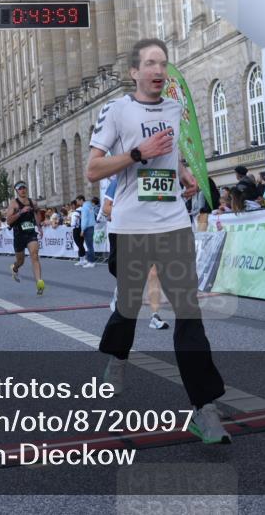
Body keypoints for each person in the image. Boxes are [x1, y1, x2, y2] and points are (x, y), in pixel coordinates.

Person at [87, 38, 229, 444]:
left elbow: (171, 156)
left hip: (171, 224)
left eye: (163, 64)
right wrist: (136, 154)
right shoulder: (115, 111)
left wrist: (181, 172)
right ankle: (117, 356)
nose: (158, 70)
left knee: (189, 314)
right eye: (150, 63)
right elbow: (93, 171)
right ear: (134, 72)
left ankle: (205, 409)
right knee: (129, 305)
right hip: (130, 227)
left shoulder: (173, 108)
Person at [101, 175, 170, 330]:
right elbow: (106, 207)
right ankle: (120, 292)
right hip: (124, 232)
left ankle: (155, 316)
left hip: (148, 232)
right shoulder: (119, 182)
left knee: (154, 272)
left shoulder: (149, 181)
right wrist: (130, 214)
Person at [6, 181, 46, 295]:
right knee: (21, 260)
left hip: (30, 233)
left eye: (24, 188)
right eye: (20, 189)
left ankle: (39, 282)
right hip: (19, 234)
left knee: (34, 255)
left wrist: (39, 227)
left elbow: (36, 214)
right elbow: (8, 221)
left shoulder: (32, 202)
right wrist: (20, 212)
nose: (22, 190)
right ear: (16, 191)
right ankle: (15, 268)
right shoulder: (13, 204)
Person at [81, 195, 97, 268]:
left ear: (81, 200)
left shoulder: (84, 207)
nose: (77, 202)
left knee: (89, 245)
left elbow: (84, 219)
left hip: (87, 227)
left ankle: (91, 262)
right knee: (90, 245)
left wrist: (82, 229)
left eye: (78, 201)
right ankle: (90, 260)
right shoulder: (90, 206)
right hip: (91, 226)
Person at [71, 197, 86, 266]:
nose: (72, 206)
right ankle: (82, 259)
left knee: (79, 244)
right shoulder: (83, 210)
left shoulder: (76, 212)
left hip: (76, 229)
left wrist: (72, 225)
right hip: (82, 228)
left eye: (72, 205)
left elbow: (73, 222)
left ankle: (83, 259)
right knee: (81, 244)